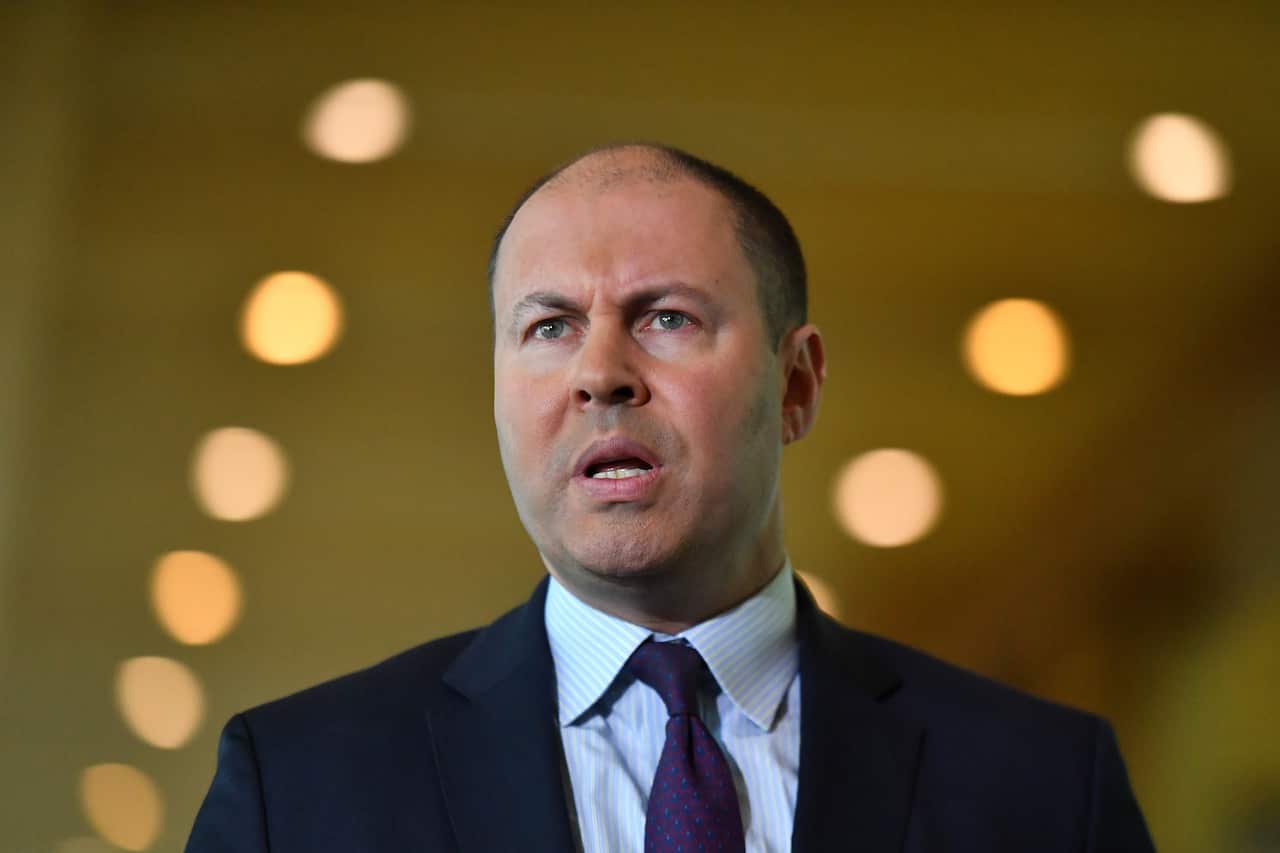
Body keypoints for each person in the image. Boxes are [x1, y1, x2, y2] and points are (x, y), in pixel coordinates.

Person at [186, 144, 1155, 852]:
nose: (599, 373)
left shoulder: (1039, 787)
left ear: (795, 384)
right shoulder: (302, 784)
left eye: (665, 317)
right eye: (549, 326)